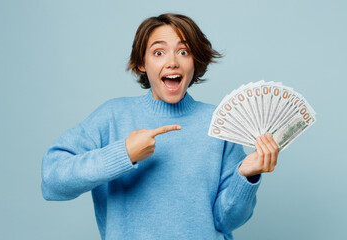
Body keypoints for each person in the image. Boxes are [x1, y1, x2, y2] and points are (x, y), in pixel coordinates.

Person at [41, 13, 279, 240]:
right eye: (158, 52)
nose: (172, 62)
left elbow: (226, 221)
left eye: (183, 51)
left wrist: (244, 176)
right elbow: (52, 181)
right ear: (141, 63)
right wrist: (123, 154)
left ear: (195, 61)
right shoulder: (113, 116)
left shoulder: (218, 123)